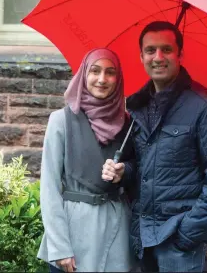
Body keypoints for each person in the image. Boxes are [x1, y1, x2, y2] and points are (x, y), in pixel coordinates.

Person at [102, 21, 207, 272]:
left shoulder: (206, 107)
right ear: (141, 56)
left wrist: (189, 232)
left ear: (180, 55)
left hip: (178, 243)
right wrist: (124, 172)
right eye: (151, 50)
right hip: (141, 238)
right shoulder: (136, 106)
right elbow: (139, 164)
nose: (158, 57)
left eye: (167, 49)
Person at [37, 48, 135, 272]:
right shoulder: (61, 121)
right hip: (74, 234)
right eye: (95, 71)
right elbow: (49, 187)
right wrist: (60, 246)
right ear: (84, 74)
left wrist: (124, 171)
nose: (102, 79)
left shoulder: (127, 124)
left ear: (118, 79)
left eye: (110, 72)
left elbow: (137, 171)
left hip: (116, 232)